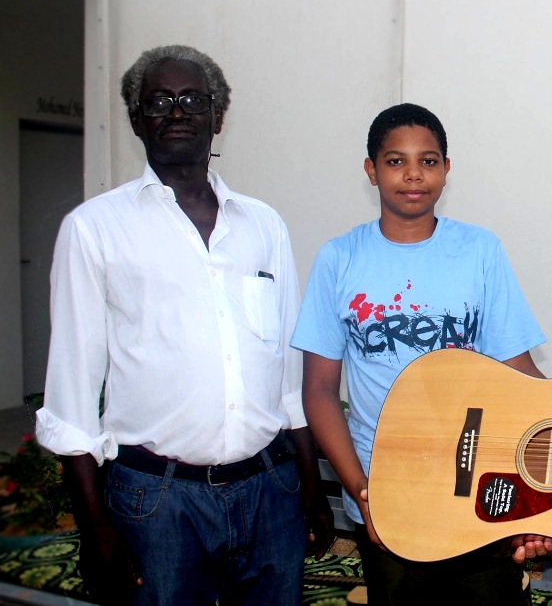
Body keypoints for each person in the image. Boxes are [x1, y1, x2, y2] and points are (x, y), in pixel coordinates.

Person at [35, 44, 334, 606]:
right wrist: (97, 531)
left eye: (194, 99)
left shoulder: (263, 224)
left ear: (218, 117)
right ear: (136, 120)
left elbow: (289, 377)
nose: (177, 112)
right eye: (160, 101)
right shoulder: (94, 230)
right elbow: (71, 397)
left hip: (272, 490)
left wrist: (310, 490)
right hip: (157, 502)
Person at [291, 103, 552, 606]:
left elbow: (516, 370)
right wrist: (363, 491)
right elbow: (320, 391)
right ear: (371, 170)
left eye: (429, 161)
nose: (413, 174)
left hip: (478, 488)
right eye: (395, 161)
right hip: (389, 497)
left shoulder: (480, 250)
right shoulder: (340, 259)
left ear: (447, 170)